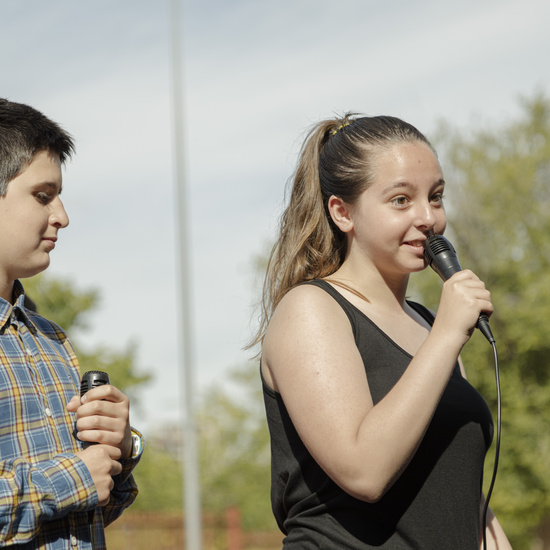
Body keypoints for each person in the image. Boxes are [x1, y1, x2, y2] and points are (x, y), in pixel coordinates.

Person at [253, 114, 512, 548]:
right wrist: (447, 335)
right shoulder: (312, 309)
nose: (427, 217)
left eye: (436, 197)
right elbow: (364, 471)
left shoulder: (429, 324)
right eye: (400, 200)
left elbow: (455, 490)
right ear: (343, 212)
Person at [0, 98, 143, 549]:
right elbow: (74, 485)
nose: (62, 215)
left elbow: (91, 513)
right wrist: (73, 478)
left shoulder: (51, 339)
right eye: (42, 196)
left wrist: (117, 452)